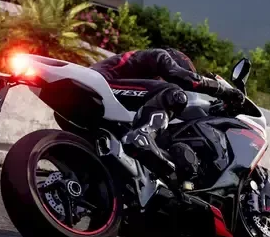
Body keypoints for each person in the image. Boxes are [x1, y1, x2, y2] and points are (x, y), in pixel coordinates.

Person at [90, 48, 244, 184]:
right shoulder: (160, 55)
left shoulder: (141, 87)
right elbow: (183, 77)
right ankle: (142, 135)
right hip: (101, 83)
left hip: (100, 99)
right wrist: (223, 90)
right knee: (175, 94)